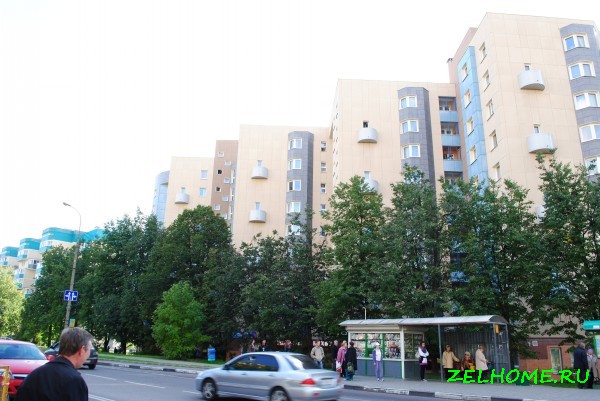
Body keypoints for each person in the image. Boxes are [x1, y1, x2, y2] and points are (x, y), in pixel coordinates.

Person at [16, 327, 93, 401]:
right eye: (90, 349)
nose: (89, 354)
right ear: (82, 350)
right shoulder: (74, 381)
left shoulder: (34, 375)